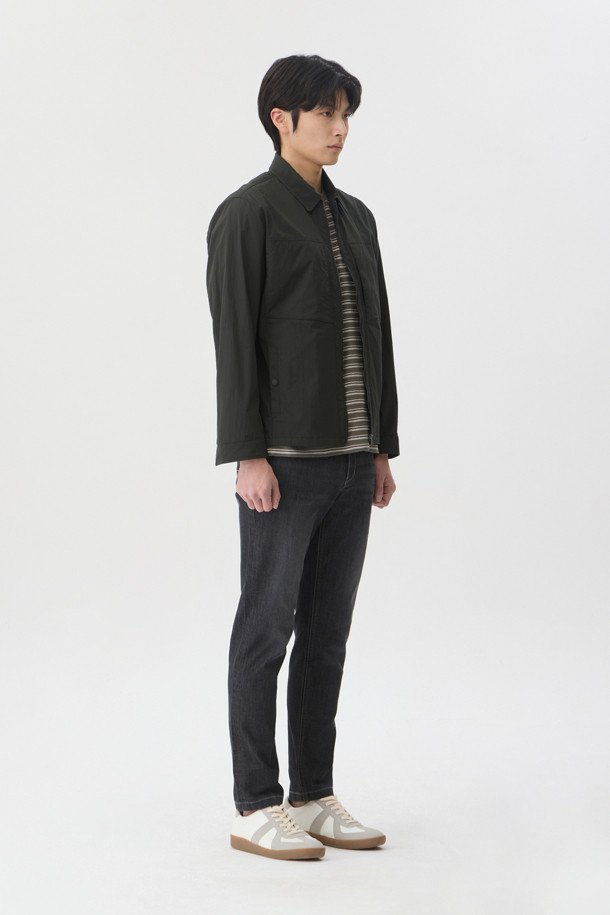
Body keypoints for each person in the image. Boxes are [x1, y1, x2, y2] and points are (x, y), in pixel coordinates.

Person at [206, 53, 400, 860]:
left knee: (326, 636)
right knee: (266, 629)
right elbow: (234, 344)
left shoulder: (356, 216)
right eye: (325, 112)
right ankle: (256, 802)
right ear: (280, 118)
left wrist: (381, 445)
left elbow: (378, 336)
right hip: (284, 464)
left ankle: (313, 795)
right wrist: (246, 453)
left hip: (352, 462)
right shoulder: (247, 214)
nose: (339, 127)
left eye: (345, 113)